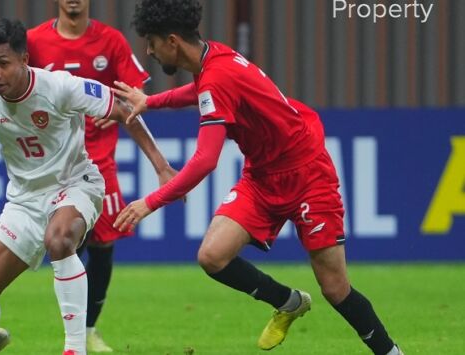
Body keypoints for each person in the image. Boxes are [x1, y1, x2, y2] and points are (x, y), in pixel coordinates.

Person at [104, 1, 403, 354]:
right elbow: (199, 91)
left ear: (171, 41)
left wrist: (150, 202)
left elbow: (204, 161)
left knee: (335, 287)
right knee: (212, 256)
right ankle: (289, 301)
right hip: (262, 176)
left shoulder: (216, 76)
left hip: (307, 173)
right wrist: (151, 102)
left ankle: (391, 352)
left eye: (151, 42)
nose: (149, 51)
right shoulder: (213, 58)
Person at [0, 18, 172, 355]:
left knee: (59, 239)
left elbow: (123, 109)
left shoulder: (61, 87)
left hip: (77, 184)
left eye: (3, 63)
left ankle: (74, 349)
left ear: (24, 59)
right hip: (24, 202)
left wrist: (161, 167)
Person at [26, 1, 163, 352]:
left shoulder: (111, 41)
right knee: (69, 243)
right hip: (55, 163)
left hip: (101, 161)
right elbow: (20, 92)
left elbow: (135, 98)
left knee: (104, 245)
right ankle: (74, 329)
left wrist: (115, 106)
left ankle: (87, 329)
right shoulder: (34, 42)